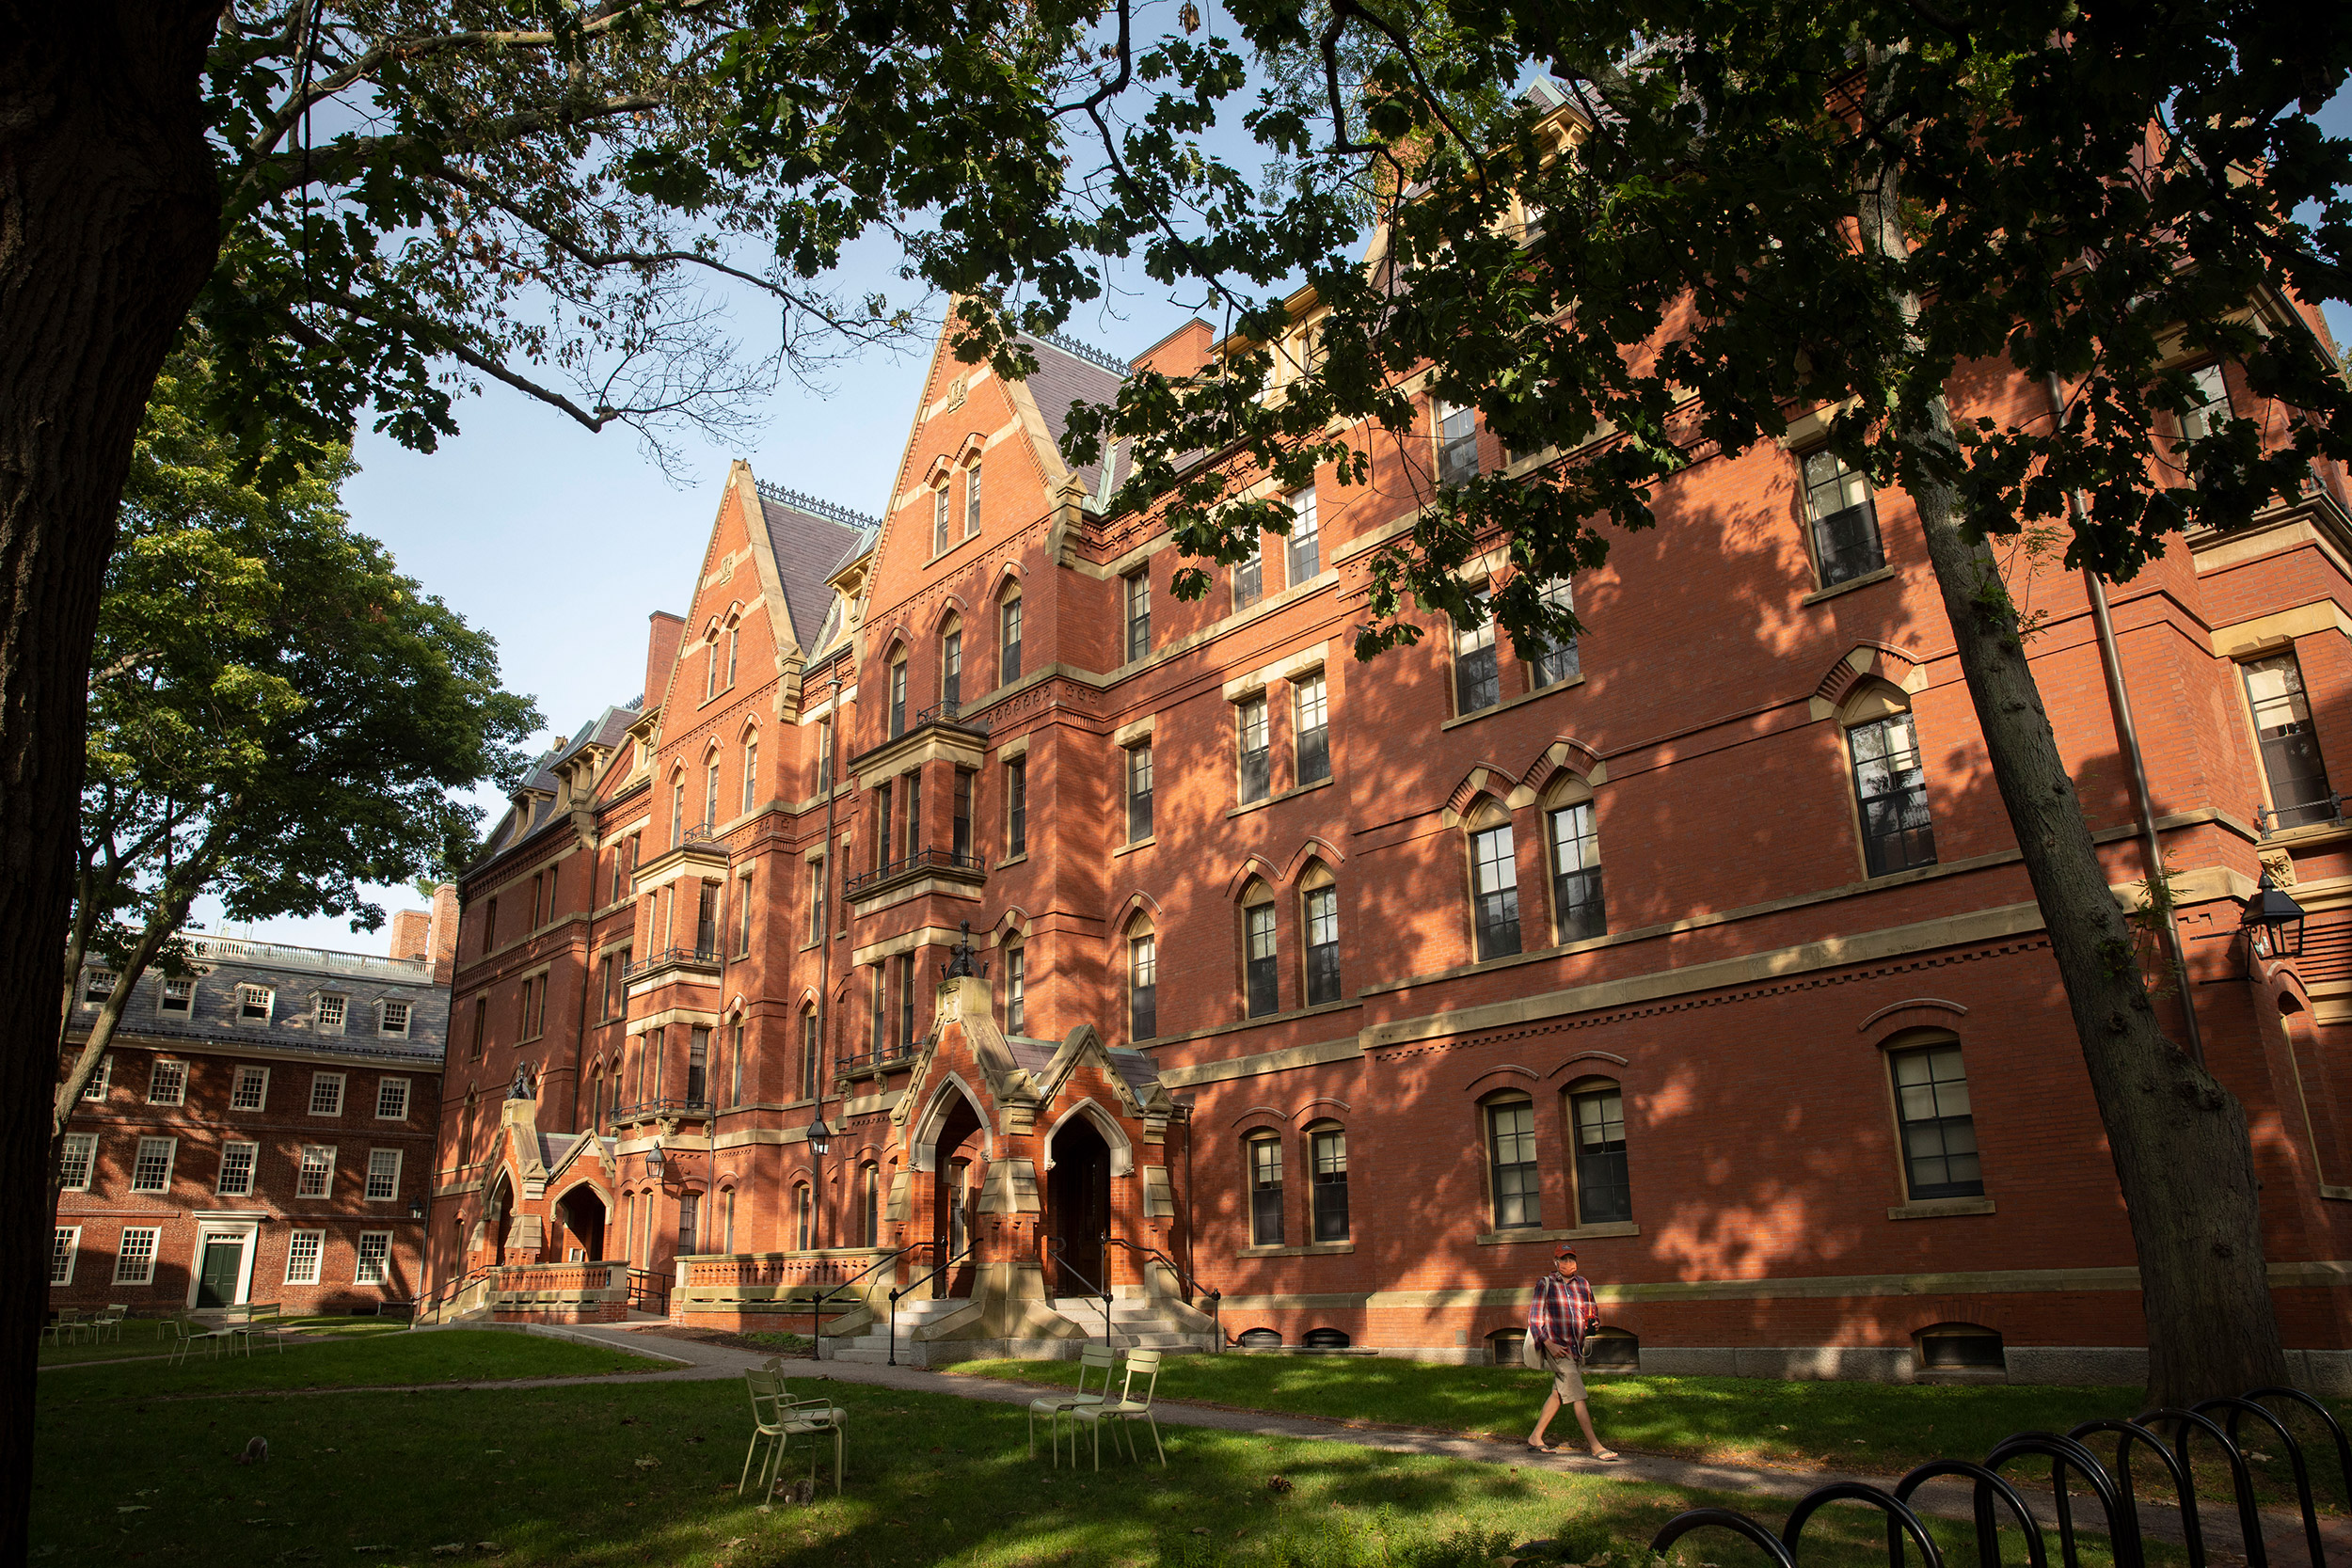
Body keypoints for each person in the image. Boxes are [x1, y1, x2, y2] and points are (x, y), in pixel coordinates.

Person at [1526, 1244, 1617, 1460]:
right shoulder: (1546, 1284)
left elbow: (1592, 1310)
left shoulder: (1583, 1284)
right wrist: (1549, 1345)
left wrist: (1594, 1323)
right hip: (1557, 1347)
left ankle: (1535, 1436)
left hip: (1576, 1347)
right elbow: (1534, 1319)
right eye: (1563, 1259)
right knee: (1577, 1393)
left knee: (1559, 1392)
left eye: (1571, 1259)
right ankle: (1596, 1446)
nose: (1568, 1263)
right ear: (1555, 1263)